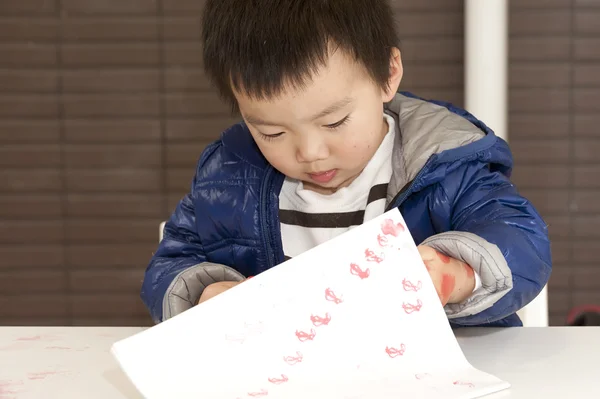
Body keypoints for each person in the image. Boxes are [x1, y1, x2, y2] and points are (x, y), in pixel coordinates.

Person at [140, 0, 551, 328]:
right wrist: (207, 294)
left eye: (334, 121)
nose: (310, 152)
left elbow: (522, 240)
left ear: (388, 74)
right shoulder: (227, 181)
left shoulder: (445, 168)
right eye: (272, 133)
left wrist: (456, 274)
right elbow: (172, 264)